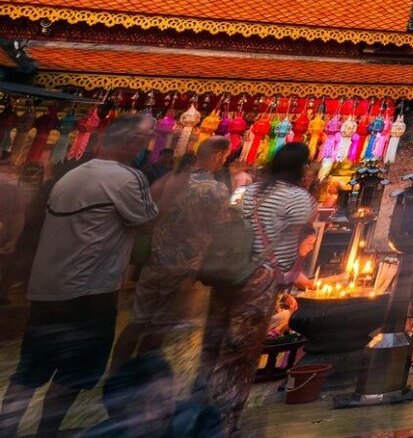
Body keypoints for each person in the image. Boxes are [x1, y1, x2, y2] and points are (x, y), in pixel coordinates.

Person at [0, 113, 159, 438]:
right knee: (73, 372)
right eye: (145, 139)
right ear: (134, 143)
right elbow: (147, 222)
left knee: (30, 370)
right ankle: (47, 432)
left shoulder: (70, 176)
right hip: (90, 291)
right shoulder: (128, 178)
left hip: (47, 288)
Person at [200, 142, 315, 435]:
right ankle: (223, 423)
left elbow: (229, 220)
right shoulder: (298, 199)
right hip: (260, 278)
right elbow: (300, 240)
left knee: (213, 345)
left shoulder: (249, 191)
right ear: (301, 168)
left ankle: (198, 408)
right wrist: (294, 275)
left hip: (230, 271)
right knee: (240, 352)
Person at [115, 139, 233, 365]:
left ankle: (116, 374)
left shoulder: (171, 179)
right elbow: (221, 227)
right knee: (161, 325)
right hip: (185, 267)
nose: (224, 162)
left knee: (138, 321)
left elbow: (146, 207)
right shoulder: (216, 189)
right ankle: (141, 375)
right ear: (217, 155)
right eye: (225, 157)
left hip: (155, 261)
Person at [81, 352, 223, 438]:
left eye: (164, 399)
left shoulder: (199, 422)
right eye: (137, 406)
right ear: (119, 415)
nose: (149, 415)